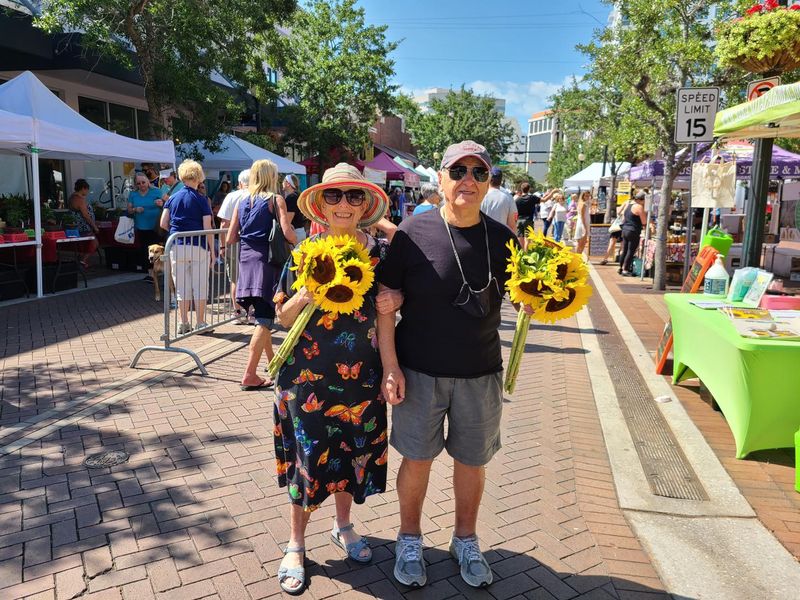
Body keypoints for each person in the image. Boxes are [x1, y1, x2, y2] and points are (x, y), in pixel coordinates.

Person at [377, 141, 532, 589]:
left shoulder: (503, 240)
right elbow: (385, 305)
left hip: (480, 371)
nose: (468, 179)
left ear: (488, 184)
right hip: (419, 370)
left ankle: (465, 539)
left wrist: (539, 296)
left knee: (472, 463)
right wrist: (391, 366)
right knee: (418, 459)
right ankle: (409, 538)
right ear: (440, 179)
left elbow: (523, 295)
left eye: (478, 173)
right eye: (458, 170)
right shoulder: (411, 234)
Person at [271, 163, 399, 595]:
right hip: (306, 380)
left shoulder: (379, 255)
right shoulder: (303, 252)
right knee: (308, 461)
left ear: (365, 205)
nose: (344, 204)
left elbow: (385, 320)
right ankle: (295, 543)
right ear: (320, 204)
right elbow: (281, 315)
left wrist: (390, 367)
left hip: (361, 377)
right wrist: (313, 284)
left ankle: (343, 525)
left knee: (352, 452)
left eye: (354, 196)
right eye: (334, 196)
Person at [226, 160, 296, 390]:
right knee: (264, 319)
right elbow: (287, 233)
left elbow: (230, 237)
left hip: (246, 262)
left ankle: (272, 364)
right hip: (266, 263)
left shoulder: (242, 200)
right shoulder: (275, 200)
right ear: (271, 177)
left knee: (261, 317)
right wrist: (299, 242)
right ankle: (249, 374)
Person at [159, 160, 215, 334]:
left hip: (177, 245)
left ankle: (183, 322)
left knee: (181, 286)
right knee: (200, 285)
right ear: (198, 177)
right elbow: (208, 228)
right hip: (198, 245)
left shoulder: (172, 198)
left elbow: (163, 223)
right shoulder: (201, 199)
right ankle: (200, 322)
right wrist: (213, 250)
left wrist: (177, 232)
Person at [218, 169, 251, 321]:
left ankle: (238, 312)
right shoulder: (258, 196)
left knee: (235, 279)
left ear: (239, 183)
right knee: (253, 278)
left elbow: (224, 223)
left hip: (234, 243)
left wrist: (222, 246)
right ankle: (252, 312)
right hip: (252, 244)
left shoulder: (231, 196)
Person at [127, 172, 165, 279]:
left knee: (157, 250)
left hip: (156, 227)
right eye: (138, 183)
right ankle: (151, 274)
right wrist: (135, 209)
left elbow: (168, 204)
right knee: (145, 251)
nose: (141, 185)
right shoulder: (133, 194)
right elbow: (129, 210)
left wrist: (161, 203)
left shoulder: (156, 191)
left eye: (143, 182)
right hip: (142, 227)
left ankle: (157, 272)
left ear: (148, 182)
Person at [68, 179, 100, 268]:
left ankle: (81, 260)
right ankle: (82, 260)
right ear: (83, 188)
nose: (87, 192)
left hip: (76, 225)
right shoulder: (79, 199)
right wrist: (94, 226)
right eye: (87, 189)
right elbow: (85, 215)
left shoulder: (72, 197)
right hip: (83, 226)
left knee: (84, 244)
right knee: (95, 243)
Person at [480, 167, 517, 232]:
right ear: (501, 180)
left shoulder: (481, 196)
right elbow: (512, 225)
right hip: (501, 238)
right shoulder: (508, 198)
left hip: (483, 236)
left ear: (489, 179)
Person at [619, 190, 646, 276]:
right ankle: (625, 270)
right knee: (630, 251)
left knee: (625, 250)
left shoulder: (629, 205)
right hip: (633, 231)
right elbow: (644, 222)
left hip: (625, 229)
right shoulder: (639, 207)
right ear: (641, 200)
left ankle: (620, 268)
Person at [282, 174, 308, 244]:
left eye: (284, 181)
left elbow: (288, 220)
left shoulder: (292, 197)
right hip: (301, 231)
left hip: (295, 233)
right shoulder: (298, 195)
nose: (282, 183)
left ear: (288, 184)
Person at [574, 190, 592, 258]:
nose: (588, 197)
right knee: (581, 244)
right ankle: (577, 258)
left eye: (588, 196)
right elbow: (582, 217)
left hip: (583, 223)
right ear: (583, 196)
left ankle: (578, 257)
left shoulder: (583, 203)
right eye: (586, 196)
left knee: (582, 243)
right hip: (583, 224)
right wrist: (585, 227)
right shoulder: (583, 204)